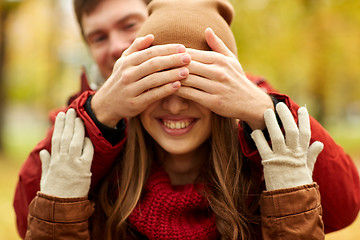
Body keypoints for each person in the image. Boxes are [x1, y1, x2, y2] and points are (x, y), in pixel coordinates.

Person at [14, 0, 360, 238]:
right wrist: (98, 114)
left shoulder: (245, 111)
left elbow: (342, 204)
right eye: (99, 37)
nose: (119, 47)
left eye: (130, 27)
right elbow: (29, 217)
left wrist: (261, 110)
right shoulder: (80, 124)